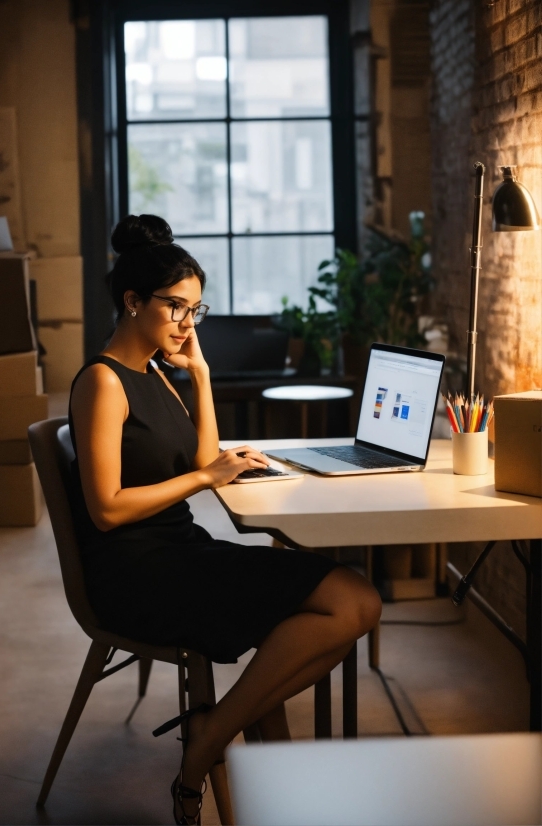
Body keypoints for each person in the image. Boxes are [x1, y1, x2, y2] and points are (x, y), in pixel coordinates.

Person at [69, 213, 382, 825]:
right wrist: (206, 478)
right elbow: (106, 510)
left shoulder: (156, 369)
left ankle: (215, 734)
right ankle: (211, 745)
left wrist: (202, 375)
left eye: (196, 309)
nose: (187, 323)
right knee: (349, 602)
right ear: (132, 301)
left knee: (349, 603)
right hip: (139, 573)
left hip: (179, 549)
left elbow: (205, 456)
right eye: (176, 308)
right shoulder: (103, 383)